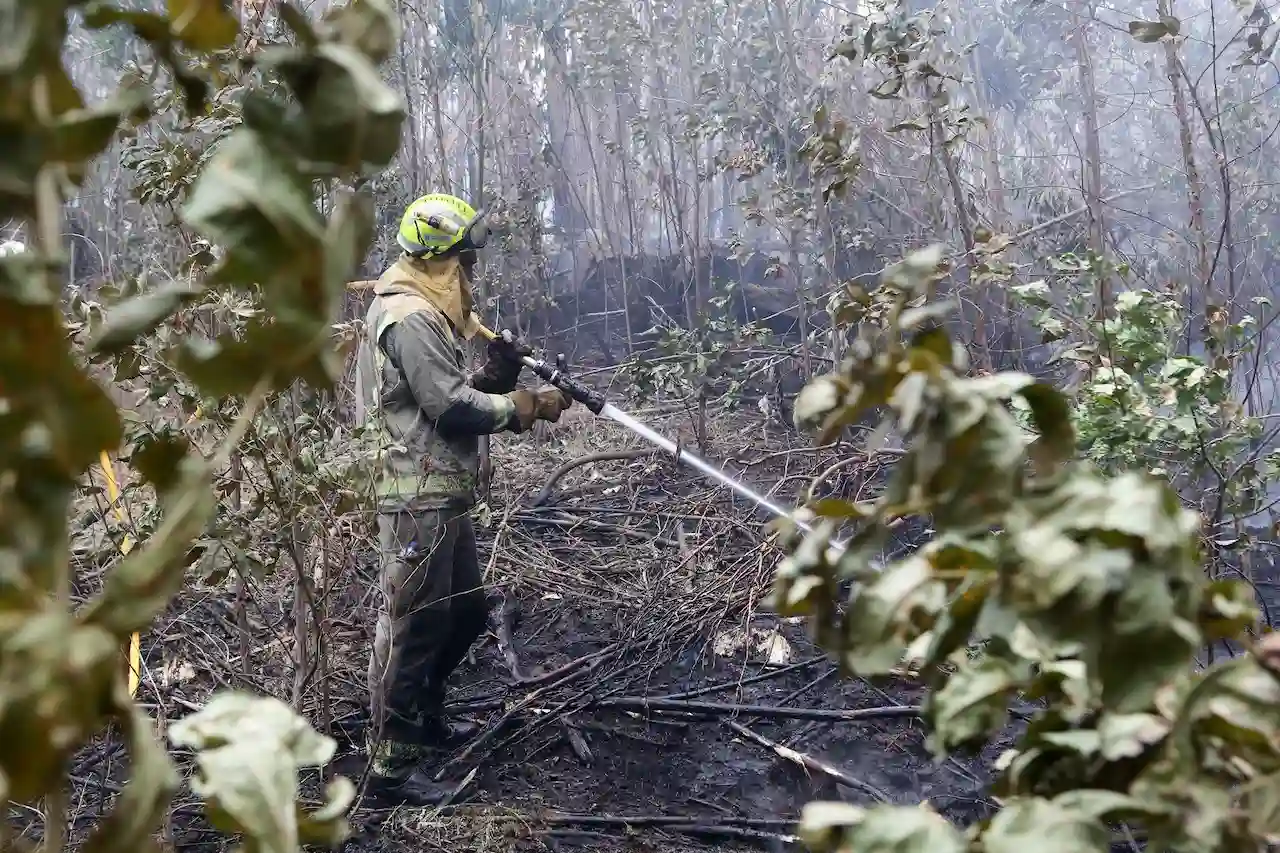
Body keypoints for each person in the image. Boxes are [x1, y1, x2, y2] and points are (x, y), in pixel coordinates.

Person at [353, 193, 573, 805]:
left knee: (468, 612)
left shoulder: (425, 312)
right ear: (438, 262)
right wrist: (522, 406)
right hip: (414, 491)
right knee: (415, 623)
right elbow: (449, 407)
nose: (471, 277)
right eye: (465, 265)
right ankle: (390, 769)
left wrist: (500, 376)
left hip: (440, 485)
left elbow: (445, 398)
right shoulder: (413, 317)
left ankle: (424, 717)